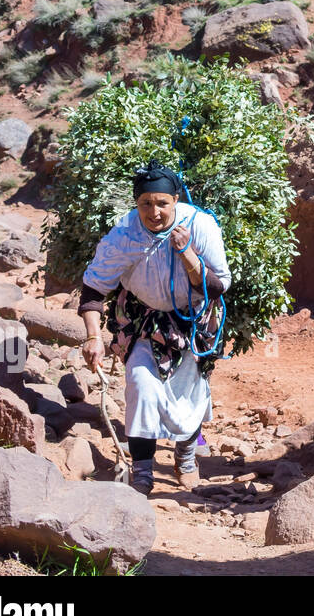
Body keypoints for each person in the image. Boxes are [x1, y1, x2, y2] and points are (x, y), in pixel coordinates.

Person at [77, 160, 232, 496]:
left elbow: (217, 287)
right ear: (136, 203)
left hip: (192, 323)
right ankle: (143, 471)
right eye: (145, 203)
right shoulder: (124, 235)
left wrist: (186, 252)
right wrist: (93, 336)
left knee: (189, 394)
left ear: (176, 199)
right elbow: (93, 289)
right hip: (142, 321)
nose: (155, 212)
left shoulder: (201, 226)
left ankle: (186, 456)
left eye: (162, 203)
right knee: (140, 385)